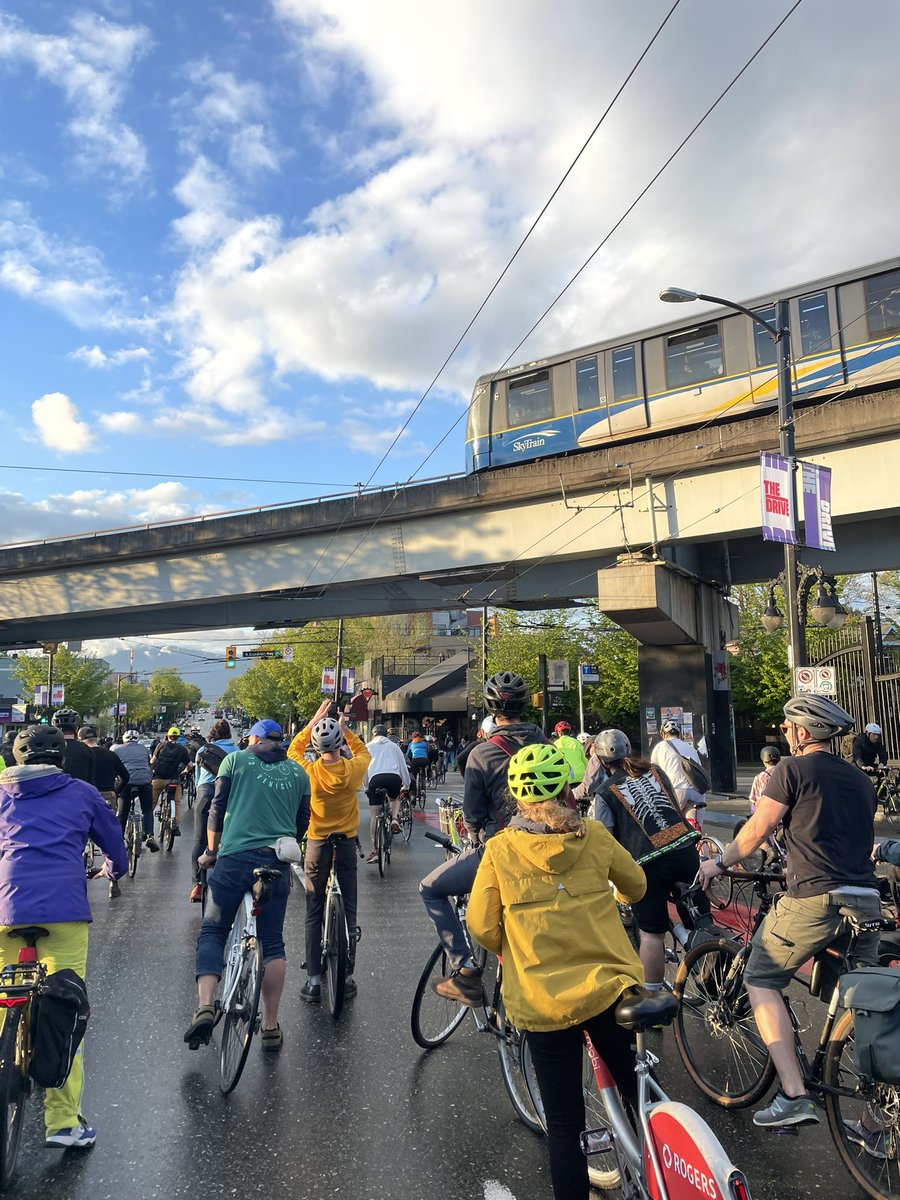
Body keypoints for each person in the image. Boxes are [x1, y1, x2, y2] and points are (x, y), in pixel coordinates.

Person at [467, 742, 646, 1200]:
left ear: (516, 799)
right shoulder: (594, 836)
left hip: (544, 1003)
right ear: (569, 788)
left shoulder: (500, 850)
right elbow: (637, 886)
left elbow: (483, 926)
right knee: (638, 1093)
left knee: (565, 1126)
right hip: (610, 989)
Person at [699, 696, 882, 1135]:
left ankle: (794, 1095)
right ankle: (879, 1112)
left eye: (786, 726)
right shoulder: (861, 781)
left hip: (816, 899)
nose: (784, 732)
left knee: (760, 978)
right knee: (864, 1003)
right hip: (867, 899)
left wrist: (720, 861)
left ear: (802, 732)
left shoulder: (791, 770)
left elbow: (758, 829)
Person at [0, 724, 127, 1149]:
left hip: (5, 906)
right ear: (61, 758)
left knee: (3, 999)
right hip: (63, 909)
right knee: (64, 1008)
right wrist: (111, 870)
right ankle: (62, 1124)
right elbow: (116, 848)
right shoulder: (81, 793)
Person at [420, 671, 546, 1005]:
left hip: (503, 850)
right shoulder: (545, 745)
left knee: (430, 889)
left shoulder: (481, 754)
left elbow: (473, 817)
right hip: (550, 846)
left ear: (491, 711)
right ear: (525, 706)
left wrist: (475, 839)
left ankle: (465, 972)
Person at [185, 719, 310, 1052]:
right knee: (272, 941)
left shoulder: (234, 761)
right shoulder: (299, 773)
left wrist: (210, 852)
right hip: (275, 862)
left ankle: (206, 1005)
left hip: (233, 859)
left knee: (213, 930)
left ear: (252, 738)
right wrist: (290, 842)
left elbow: (217, 807)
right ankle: (270, 1025)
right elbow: (302, 821)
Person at [594, 729, 709, 988]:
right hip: (684, 848)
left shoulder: (605, 792)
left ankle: (654, 1003)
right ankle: (719, 976)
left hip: (647, 865)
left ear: (602, 761)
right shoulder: (656, 771)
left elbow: (605, 842)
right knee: (701, 919)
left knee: (652, 935)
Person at [287, 700, 371, 1003]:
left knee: (313, 908)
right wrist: (346, 728)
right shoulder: (353, 770)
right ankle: (346, 977)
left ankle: (313, 980)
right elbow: (363, 752)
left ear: (317, 748)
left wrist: (312, 722)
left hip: (317, 843)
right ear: (339, 745)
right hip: (346, 843)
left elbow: (293, 752)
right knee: (349, 907)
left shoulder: (309, 771)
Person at [189, 719, 238, 902]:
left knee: (199, 839)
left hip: (205, 792)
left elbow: (197, 778)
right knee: (229, 837)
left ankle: (197, 886)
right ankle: (228, 881)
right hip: (229, 794)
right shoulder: (237, 751)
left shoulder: (203, 750)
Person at [363, 723, 410, 863]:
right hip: (393, 777)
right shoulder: (394, 746)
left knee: (374, 816)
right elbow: (402, 766)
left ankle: (375, 851)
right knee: (394, 799)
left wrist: (366, 786)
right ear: (386, 735)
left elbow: (364, 769)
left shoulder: (367, 747)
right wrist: (406, 785)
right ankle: (395, 818)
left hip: (375, 779)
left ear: (373, 734)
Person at [111, 729, 159, 854]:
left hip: (127, 783)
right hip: (144, 782)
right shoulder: (144, 749)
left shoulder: (117, 750)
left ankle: (118, 839)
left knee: (123, 812)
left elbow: (115, 769)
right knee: (147, 810)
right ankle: (149, 836)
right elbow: (148, 764)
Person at [650, 720, 706, 826]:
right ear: (679, 735)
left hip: (677, 789)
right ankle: (703, 841)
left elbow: (653, 771)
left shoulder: (660, 746)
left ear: (663, 734)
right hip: (697, 790)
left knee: (671, 826)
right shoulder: (690, 748)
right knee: (696, 826)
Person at [150, 726, 191, 838]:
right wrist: (185, 772)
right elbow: (190, 765)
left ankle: (147, 824)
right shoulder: (182, 749)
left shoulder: (161, 745)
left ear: (167, 736)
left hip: (158, 778)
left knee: (152, 802)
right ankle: (175, 822)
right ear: (178, 737)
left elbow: (153, 760)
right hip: (174, 780)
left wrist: (152, 768)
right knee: (177, 802)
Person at [52, 709, 95, 786]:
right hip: (80, 794)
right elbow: (91, 779)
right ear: (76, 729)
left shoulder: (49, 749)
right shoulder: (86, 750)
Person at [553, 720, 587, 784]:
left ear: (558, 733)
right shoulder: (576, 742)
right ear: (569, 732)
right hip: (581, 777)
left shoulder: (555, 744)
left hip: (565, 779)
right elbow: (585, 760)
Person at [749, 745, 781, 811]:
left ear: (763, 760)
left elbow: (753, 799)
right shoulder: (785, 773)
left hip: (766, 812)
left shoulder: (759, 777)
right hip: (783, 812)